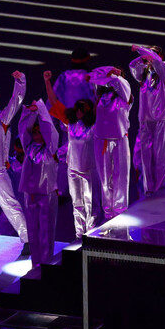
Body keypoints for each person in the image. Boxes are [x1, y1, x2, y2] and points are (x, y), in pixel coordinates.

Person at [45, 70, 97, 238]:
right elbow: (54, 103)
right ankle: (80, 235)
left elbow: (101, 108)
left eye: (82, 108)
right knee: (77, 204)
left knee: (91, 204)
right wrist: (47, 81)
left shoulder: (94, 127)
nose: (79, 110)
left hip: (89, 170)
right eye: (77, 108)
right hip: (73, 169)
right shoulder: (70, 124)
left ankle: (92, 235)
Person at [0, 71, 29, 254]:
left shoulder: (1, 118)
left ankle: (27, 240)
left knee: (10, 204)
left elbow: (16, 101)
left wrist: (20, 81)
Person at [129, 44, 165, 195]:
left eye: (153, 54)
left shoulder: (164, 69)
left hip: (162, 117)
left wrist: (142, 49)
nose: (149, 57)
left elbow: (158, 63)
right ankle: (148, 189)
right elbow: (132, 65)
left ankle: (160, 188)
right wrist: (142, 57)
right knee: (146, 155)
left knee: (161, 155)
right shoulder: (143, 72)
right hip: (145, 118)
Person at [18, 101, 58, 267]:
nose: (37, 136)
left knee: (46, 230)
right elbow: (23, 129)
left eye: (40, 133)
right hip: (30, 194)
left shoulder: (50, 149)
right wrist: (30, 112)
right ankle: (35, 264)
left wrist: (41, 109)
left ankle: (46, 264)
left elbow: (51, 131)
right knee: (33, 230)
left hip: (47, 194)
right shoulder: (28, 147)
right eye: (35, 133)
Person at [89, 68, 133, 220]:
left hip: (120, 139)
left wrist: (113, 74)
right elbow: (93, 77)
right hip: (101, 140)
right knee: (104, 177)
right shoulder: (101, 96)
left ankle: (120, 210)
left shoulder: (125, 94)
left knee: (121, 176)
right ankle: (108, 212)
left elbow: (118, 82)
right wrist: (107, 70)